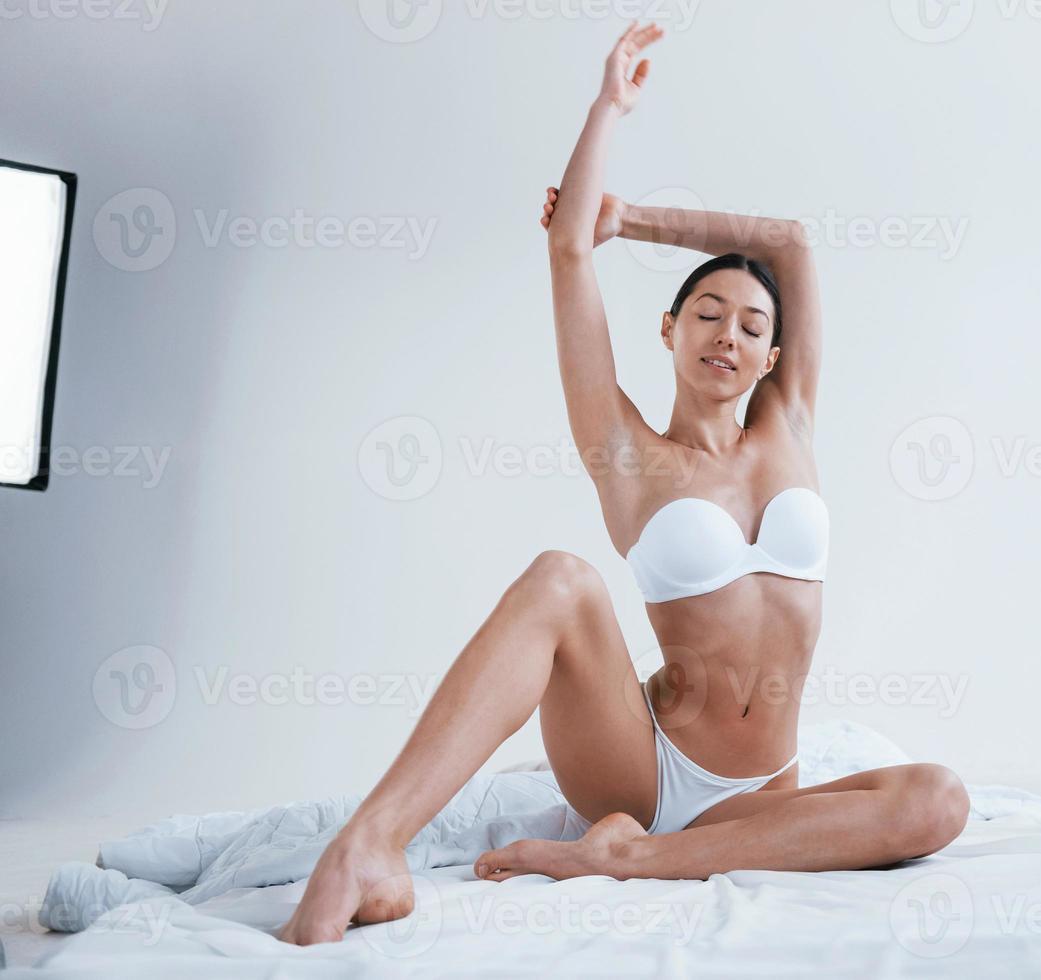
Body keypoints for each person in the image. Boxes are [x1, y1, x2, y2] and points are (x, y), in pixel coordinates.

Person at [280, 20, 968, 945]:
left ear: (772, 354)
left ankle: (625, 859)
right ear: (669, 331)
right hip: (643, 769)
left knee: (937, 799)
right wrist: (607, 110)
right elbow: (567, 251)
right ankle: (368, 845)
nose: (729, 333)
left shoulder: (791, 425)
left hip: (763, 801)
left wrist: (635, 218)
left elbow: (792, 242)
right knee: (560, 578)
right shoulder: (628, 453)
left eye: (751, 324)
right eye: (708, 313)